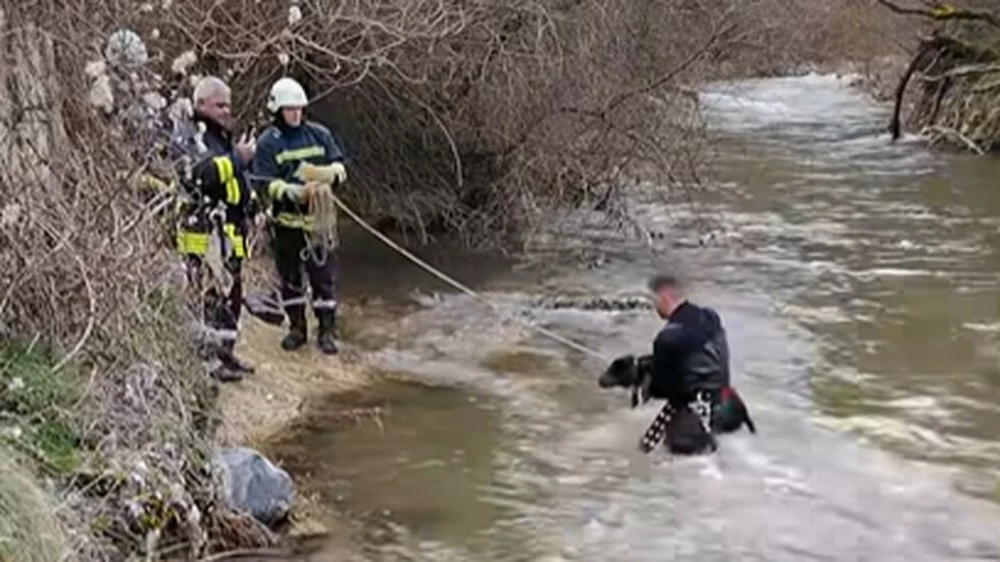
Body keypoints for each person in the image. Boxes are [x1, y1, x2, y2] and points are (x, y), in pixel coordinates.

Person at [251, 77, 348, 355]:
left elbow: (339, 165)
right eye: (289, 109)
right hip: (287, 226)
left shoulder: (319, 134)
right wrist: (292, 192)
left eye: (299, 109)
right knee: (290, 279)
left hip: (319, 226)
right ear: (278, 110)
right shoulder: (269, 142)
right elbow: (264, 181)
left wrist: (328, 175)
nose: (295, 114)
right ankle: (297, 328)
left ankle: (327, 331)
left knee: (324, 280)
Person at [172, 75, 258, 381]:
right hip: (202, 232)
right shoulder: (190, 135)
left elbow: (233, 179)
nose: (226, 110)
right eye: (220, 105)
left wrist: (252, 201)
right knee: (206, 294)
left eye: (228, 105)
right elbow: (201, 174)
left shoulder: (220, 136)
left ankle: (226, 353)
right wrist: (239, 158)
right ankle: (208, 361)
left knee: (232, 293)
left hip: (229, 231)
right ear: (202, 103)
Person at [627, 274, 755, 455]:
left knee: (683, 467)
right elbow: (701, 357)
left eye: (654, 300)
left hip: (692, 419)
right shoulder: (711, 317)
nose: (654, 307)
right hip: (726, 406)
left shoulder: (667, 338)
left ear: (665, 296)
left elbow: (662, 388)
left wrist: (642, 378)